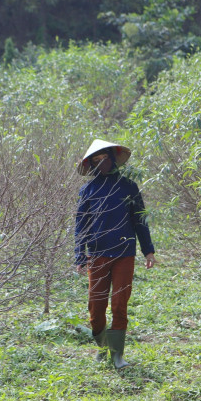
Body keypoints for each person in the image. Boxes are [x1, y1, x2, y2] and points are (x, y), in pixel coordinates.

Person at [75, 139, 156, 369]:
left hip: (124, 254)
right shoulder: (87, 190)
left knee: (120, 304)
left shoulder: (129, 187)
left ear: (113, 158)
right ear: (91, 164)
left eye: (105, 158)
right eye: (96, 160)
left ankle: (117, 355)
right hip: (97, 254)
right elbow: (81, 225)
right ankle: (103, 346)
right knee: (96, 306)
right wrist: (80, 256)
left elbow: (140, 220)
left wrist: (148, 250)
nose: (102, 163)